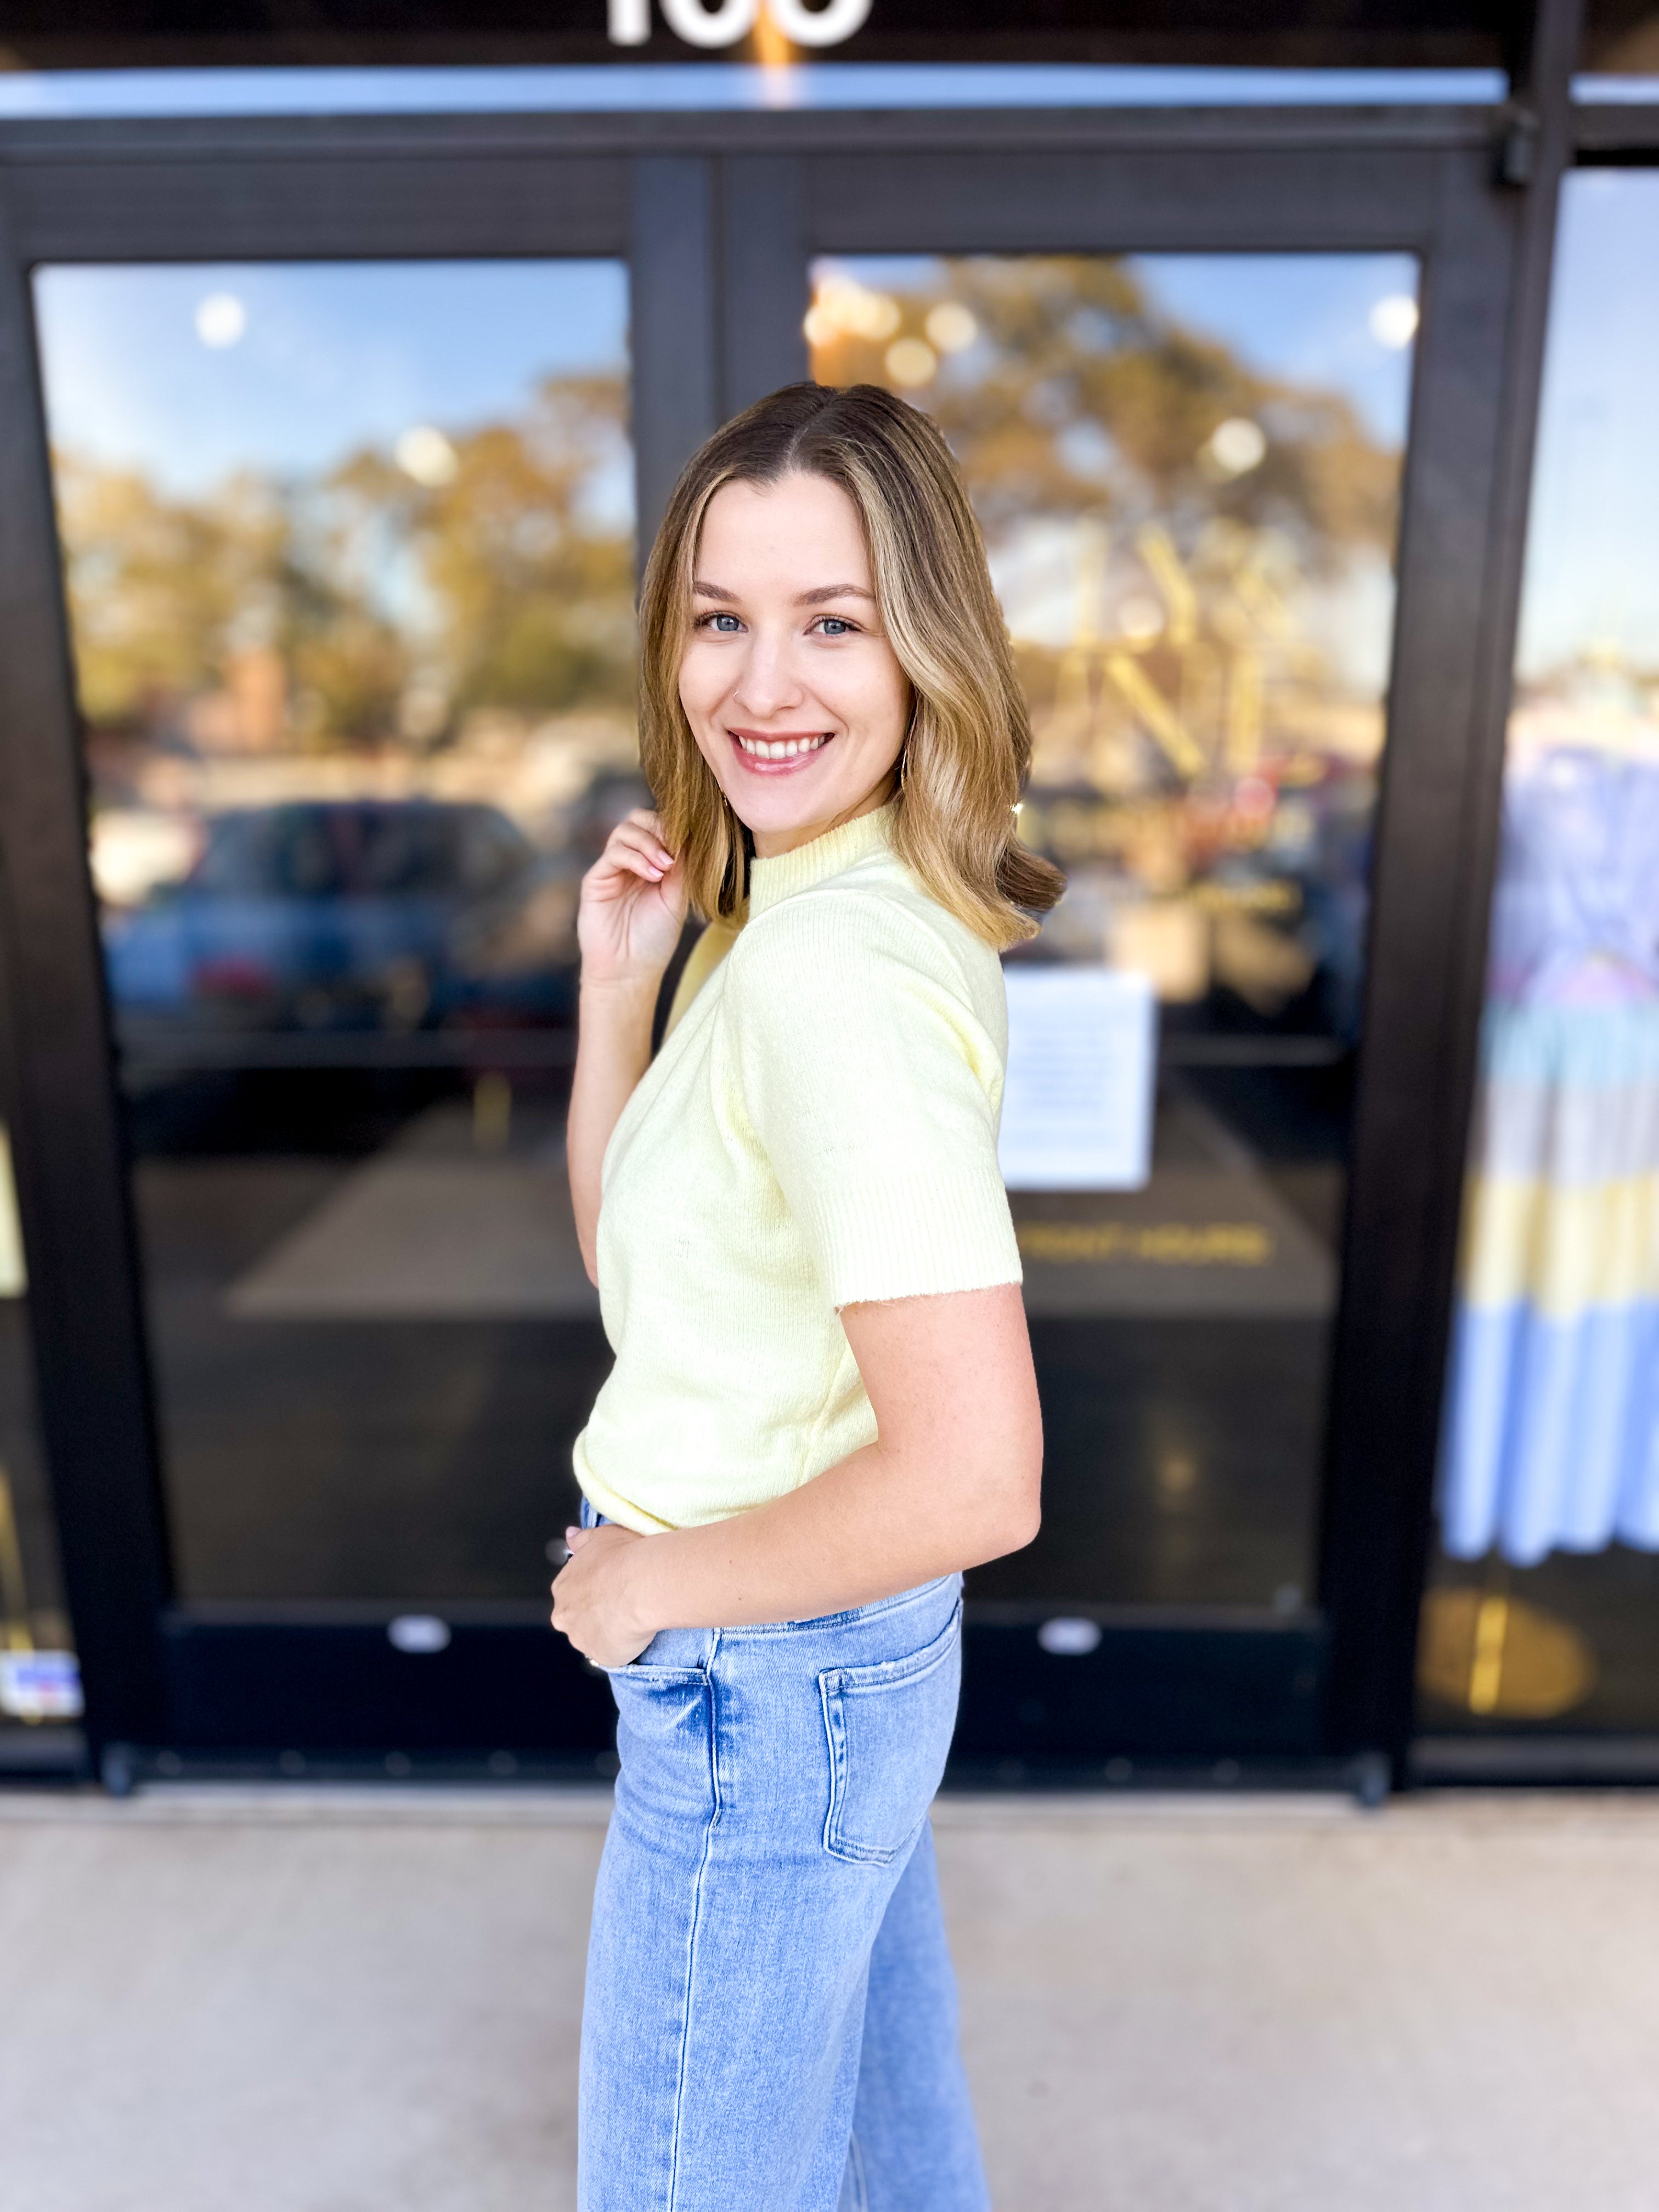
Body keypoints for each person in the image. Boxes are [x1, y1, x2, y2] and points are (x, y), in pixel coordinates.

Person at [551, 381, 1064, 2212]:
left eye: (831, 621)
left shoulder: (834, 973)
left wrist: (643, 1586)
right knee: (881, 2158)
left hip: (761, 1676)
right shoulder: (798, 912)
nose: (760, 683)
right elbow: (648, 1271)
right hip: (822, 1654)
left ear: (925, 643)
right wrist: (623, 989)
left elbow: (978, 1478)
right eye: (720, 618)